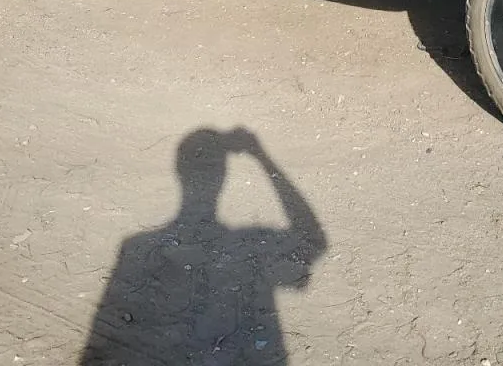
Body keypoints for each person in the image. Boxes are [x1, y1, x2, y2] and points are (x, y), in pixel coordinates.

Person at [80, 128, 326, 365]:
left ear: (178, 172)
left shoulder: (136, 248)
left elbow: (101, 344)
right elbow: (312, 239)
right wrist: (262, 157)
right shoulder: (247, 244)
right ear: (224, 177)